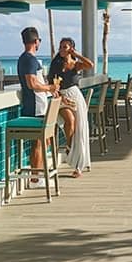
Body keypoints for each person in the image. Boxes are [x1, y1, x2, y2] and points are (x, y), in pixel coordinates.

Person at [47, 37, 94, 178]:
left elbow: (90, 64)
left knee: (80, 129)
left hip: (76, 96)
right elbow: (51, 85)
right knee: (70, 120)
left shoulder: (75, 65)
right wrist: (61, 97)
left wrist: (76, 54)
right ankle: (68, 145)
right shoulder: (55, 64)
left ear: (71, 49)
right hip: (61, 98)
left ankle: (78, 166)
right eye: (61, 47)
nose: (61, 49)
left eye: (65, 47)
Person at [18, 27, 59, 181]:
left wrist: (49, 90)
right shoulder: (29, 59)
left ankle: (39, 170)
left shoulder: (28, 59)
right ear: (36, 41)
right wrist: (49, 87)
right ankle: (35, 177)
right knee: (39, 142)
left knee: (45, 140)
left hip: (39, 104)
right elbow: (32, 83)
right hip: (34, 107)